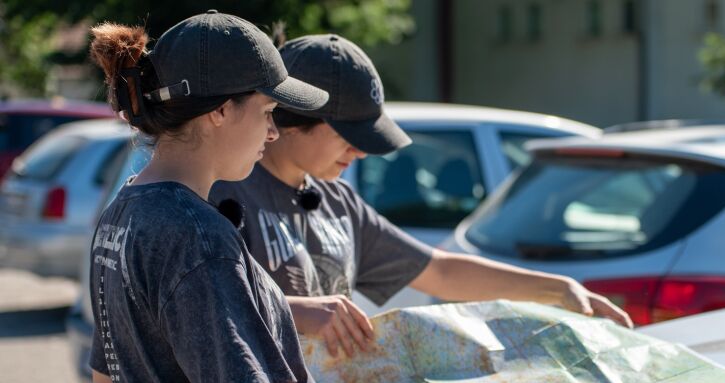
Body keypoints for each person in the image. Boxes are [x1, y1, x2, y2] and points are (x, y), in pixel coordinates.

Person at [88, 13, 545, 383]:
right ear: (219, 111)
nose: (271, 130)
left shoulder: (124, 213)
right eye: (265, 111)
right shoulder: (199, 233)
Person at [210, 35, 633, 363]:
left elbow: (440, 272)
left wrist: (556, 289)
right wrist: (297, 311)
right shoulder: (224, 193)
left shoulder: (339, 201)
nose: (360, 153)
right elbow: (204, 308)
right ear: (291, 117)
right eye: (350, 137)